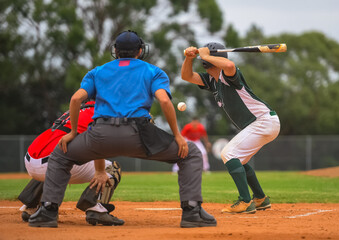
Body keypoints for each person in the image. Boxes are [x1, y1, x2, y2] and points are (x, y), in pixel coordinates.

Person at [28, 30, 216, 228]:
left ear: (115, 51)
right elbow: (164, 101)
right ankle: (192, 212)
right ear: (140, 51)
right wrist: (177, 136)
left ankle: (47, 211)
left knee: (60, 155)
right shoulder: (153, 71)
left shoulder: (97, 71)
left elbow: (75, 99)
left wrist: (73, 133)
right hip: (140, 135)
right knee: (191, 153)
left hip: (99, 135)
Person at [181, 42, 280, 214]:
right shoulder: (211, 80)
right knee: (240, 160)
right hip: (262, 123)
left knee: (228, 154)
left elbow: (229, 65)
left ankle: (245, 201)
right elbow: (186, 76)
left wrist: (203, 55)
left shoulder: (228, 75)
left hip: (263, 121)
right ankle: (261, 199)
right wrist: (189, 59)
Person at [18, 100, 123, 225]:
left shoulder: (82, 108)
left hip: (31, 156)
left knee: (57, 158)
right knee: (113, 168)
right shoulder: (103, 111)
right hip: (52, 162)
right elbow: (98, 143)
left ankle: (31, 204)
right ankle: (95, 207)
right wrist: (99, 171)